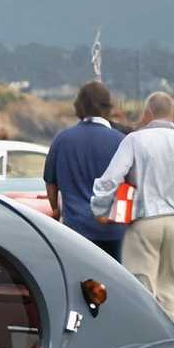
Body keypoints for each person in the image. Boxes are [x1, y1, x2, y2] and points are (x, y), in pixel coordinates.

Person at [91, 91, 174, 331]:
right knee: (173, 287)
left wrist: (100, 208)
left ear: (148, 112)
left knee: (141, 286)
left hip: (146, 220)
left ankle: (145, 340)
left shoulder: (135, 140)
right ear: (171, 113)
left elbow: (110, 179)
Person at [44, 81, 126, 260]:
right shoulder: (122, 141)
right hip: (114, 230)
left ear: (79, 106)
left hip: (76, 230)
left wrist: (55, 210)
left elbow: (51, 183)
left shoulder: (62, 140)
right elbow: (130, 185)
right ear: (108, 107)